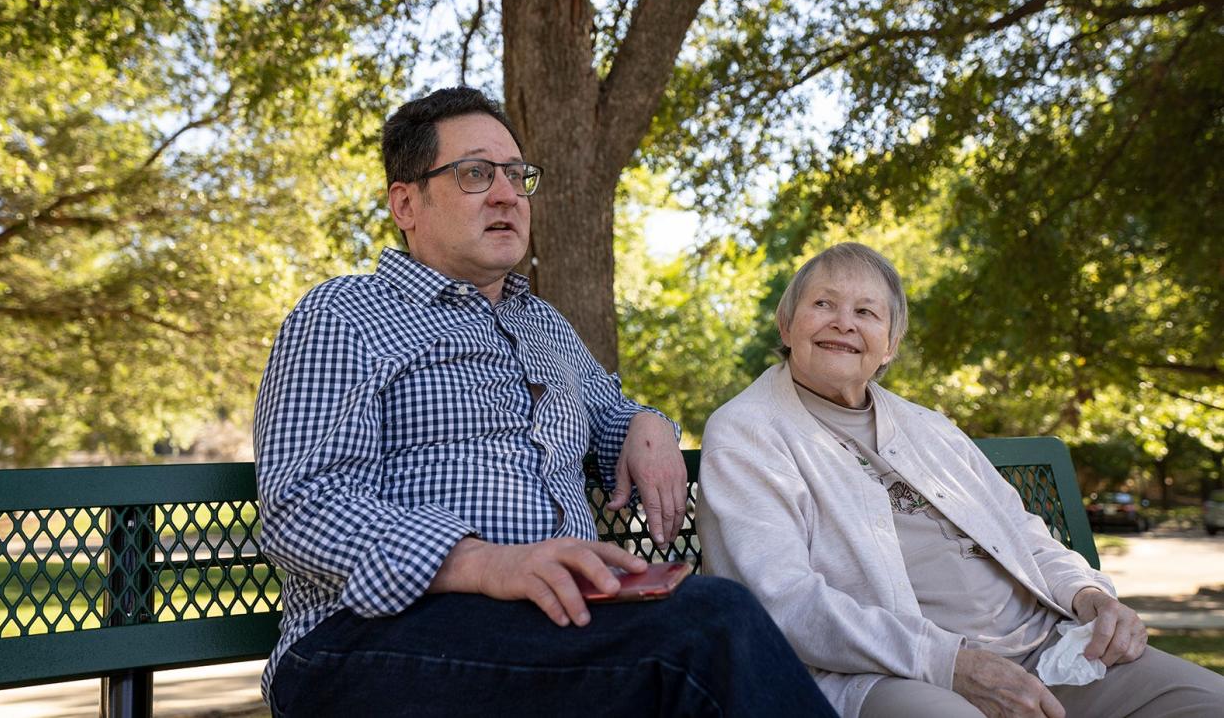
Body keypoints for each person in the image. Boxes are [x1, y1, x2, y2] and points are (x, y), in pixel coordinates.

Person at [252, 86, 835, 717]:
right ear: (406, 203)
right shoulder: (344, 314)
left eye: (515, 175)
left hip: (551, 626)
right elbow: (300, 505)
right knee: (710, 626)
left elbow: (609, 414)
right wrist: (480, 562)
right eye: (474, 174)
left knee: (705, 621)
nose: (507, 193)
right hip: (370, 639)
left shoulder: (544, 325)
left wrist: (646, 423)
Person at [697, 242, 1224, 718]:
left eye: (865, 312)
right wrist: (952, 663)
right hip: (898, 673)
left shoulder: (931, 428)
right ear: (786, 326)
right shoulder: (748, 432)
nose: (844, 323)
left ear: (890, 345)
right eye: (823, 305)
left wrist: (1090, 596)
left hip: (1051, 650)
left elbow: (1024, 534)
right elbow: (785, 601)